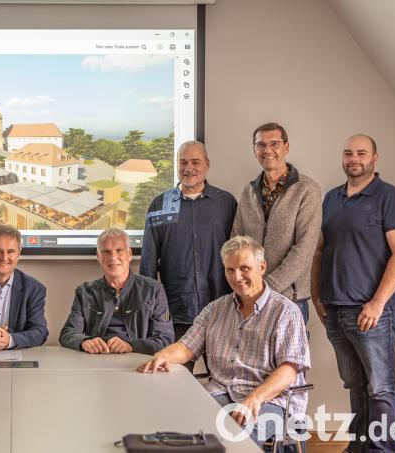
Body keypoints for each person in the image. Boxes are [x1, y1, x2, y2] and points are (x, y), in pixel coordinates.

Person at [138, 236, 310, 448]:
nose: (237, 277)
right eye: (230, 270)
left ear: (262, 267)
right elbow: (186, 347)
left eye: (244, 268)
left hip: (269, 401)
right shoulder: (215, 309)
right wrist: (162, 356)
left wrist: (254, 399)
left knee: (233, 437)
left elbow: (289, 371)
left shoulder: (285, 311)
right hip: (220, 393)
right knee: (181, 424)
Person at [311, 134, 395, 453]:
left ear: (374, 158)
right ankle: (359, 447)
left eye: (361, 153)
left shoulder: (391, 198)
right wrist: (317, 296)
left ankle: (382, 449)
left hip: (372, 312)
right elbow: (320, 251)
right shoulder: (331, 199)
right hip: (335, 309)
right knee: (356, 385)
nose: (354, 158)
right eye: (348, 153)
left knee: (380, 388)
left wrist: (378, 303)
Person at [139, 141, 236, 357]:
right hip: (175, 313)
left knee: (224, 380)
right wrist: (150, 311)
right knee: (173, 380)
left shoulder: (226, 203)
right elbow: (148, 264)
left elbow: (238, 257)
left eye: (195, 162)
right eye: (183, 162)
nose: (188, 168)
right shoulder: (159, 205)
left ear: (207, 165)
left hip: (221, 310)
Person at [232, 123, 321, 324]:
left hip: (289, 300)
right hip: (250, 298)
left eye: (274, 144)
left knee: (288, 357)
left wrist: (266, 288)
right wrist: (247, 287)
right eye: (261, 145)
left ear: (286, 147)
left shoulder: (307, 190)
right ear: (254, 151)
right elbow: (237, 243)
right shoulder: (248, 192)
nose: (267, 150)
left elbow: (304, 249)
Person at [59, 228, 174, 354]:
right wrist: (84, 341)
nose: (113, 257)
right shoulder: (85, 292)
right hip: (96, 360)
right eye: (106, 252)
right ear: (98, 257)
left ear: (129, 254)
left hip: (137, 362)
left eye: (119, 250)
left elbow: (165, 338)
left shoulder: (154, 290)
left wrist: (132, 346)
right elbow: (67, 334)